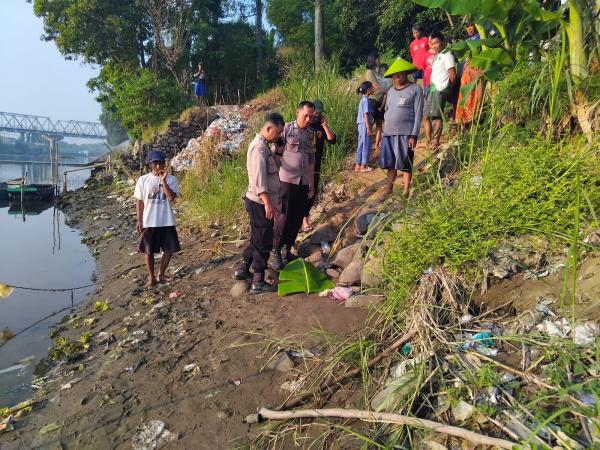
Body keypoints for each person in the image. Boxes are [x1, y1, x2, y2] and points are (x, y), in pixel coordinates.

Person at [234, 113, 285, 293]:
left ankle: (242, 269)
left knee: (257, 237)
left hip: (260, 201)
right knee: (263, 241)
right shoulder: (258, 148)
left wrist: (278, 149)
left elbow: (272, 168)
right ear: (269, 128)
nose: (278, 136)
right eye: (277, 132)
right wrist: (267, 203)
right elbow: (258, 179)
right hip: (260, 201)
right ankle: (258, 280)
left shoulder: (264, 147)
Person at [271, 101, 316, 270]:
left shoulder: (310, 134)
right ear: (298, 112)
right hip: (286, 181)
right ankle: (275, 250)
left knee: (297, 218)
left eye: (311, 116)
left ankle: (286, 249)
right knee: (283, 217)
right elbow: (275, 154)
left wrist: (311, 183)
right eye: (306, 116)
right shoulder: (287, 130)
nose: (308, 119)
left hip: (303, 182)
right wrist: (275, 177)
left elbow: (311, 161)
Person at [134, 150, 180, 287]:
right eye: (155, 163)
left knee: (169, 250)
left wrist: (163, 181)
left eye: (160, 162)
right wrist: (139, 220)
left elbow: (171, 198)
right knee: (148, 251)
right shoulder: (143, 180)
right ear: (150, 164)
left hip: (166, 221)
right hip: (150, 221)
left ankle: (161, 274)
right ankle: (151, 277)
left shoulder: (172, 179)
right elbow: (140, 201)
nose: (158, 166)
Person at [380, 58, 423, 198]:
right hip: (389, 133)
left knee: (406, 163)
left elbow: (418, 113)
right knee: (390, 164)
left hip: (406, 134)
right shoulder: (391, 91)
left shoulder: (415, 89)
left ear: (406, 73)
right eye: (394, 74)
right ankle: (389, 188)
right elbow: (387, 110)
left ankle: (406, 190)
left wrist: (414, 135)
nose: (397, 76)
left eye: (400, 73)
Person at [302, 99, 336, 232]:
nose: (316, 117)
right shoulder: (304, 126)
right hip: (302, 166)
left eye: (319, 114)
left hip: (315, 166)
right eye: (314, 114)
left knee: (312, 192)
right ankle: (303, 220)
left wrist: (325, 126)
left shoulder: (321, 126)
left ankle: (305, 218)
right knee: (302, 193)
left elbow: (332, 140)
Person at [422, 32, 456, 150]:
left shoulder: (447, 54)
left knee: (437, 117)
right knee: (430, 116)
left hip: (440, 88)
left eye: (436, 42)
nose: (434, 45)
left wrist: (449, 89)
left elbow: (452, 74)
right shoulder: (437, 56)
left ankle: (436, 141)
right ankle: (431, 140)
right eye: (432, 43)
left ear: (442, 41)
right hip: (433, 88)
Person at [364, 52, 386, 150]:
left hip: (381, 101)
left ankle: (376, 145)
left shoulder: (376, 72)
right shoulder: (369, 72)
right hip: (373, 100)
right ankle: (366, 146)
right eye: (378, 59)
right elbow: (375, 86)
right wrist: (388, 91)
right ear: (373, 60)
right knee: (370, 124)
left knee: (379, 124)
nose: (379, 61)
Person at [355, 81, 375, 173]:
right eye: (372, 88)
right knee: (366, 144)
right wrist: (369, 127)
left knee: (361, 144)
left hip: (361, 124)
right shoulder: (366, 100)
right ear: (368, 90)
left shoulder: (363, 100)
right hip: (364, 124)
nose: (373, 89)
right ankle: (364, 165)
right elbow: (365, 115)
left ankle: (358, 165)